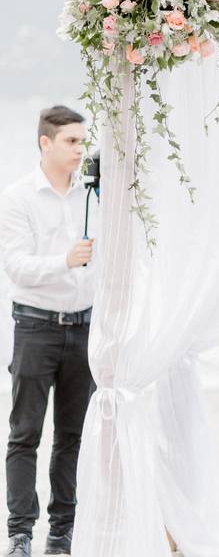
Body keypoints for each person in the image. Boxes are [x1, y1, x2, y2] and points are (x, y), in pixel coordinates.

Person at [0, 106, 98, 557]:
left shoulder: (94, 194)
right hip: (35, 326)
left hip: (85, 328)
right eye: (72, 141)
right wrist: (66, 259)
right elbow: (15, 266)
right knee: (25, 433)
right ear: (46, 142)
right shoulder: (19, 197)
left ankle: (62, 534)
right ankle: (20, 533)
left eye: (83, 141)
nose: (81, 149)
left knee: (73, 436)